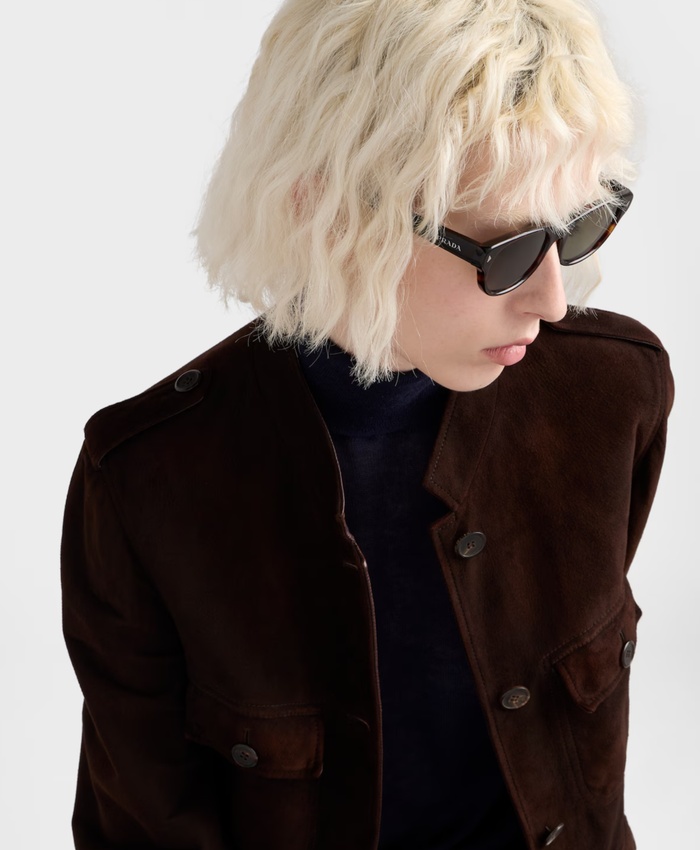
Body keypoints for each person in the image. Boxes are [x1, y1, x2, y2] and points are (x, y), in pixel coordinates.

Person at [60, 1, 673, 849]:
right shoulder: (148, 480)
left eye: (576, 229)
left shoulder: (613, 393)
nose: (554, 299)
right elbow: (141, 825)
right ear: (329, 210)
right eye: (504, 251)